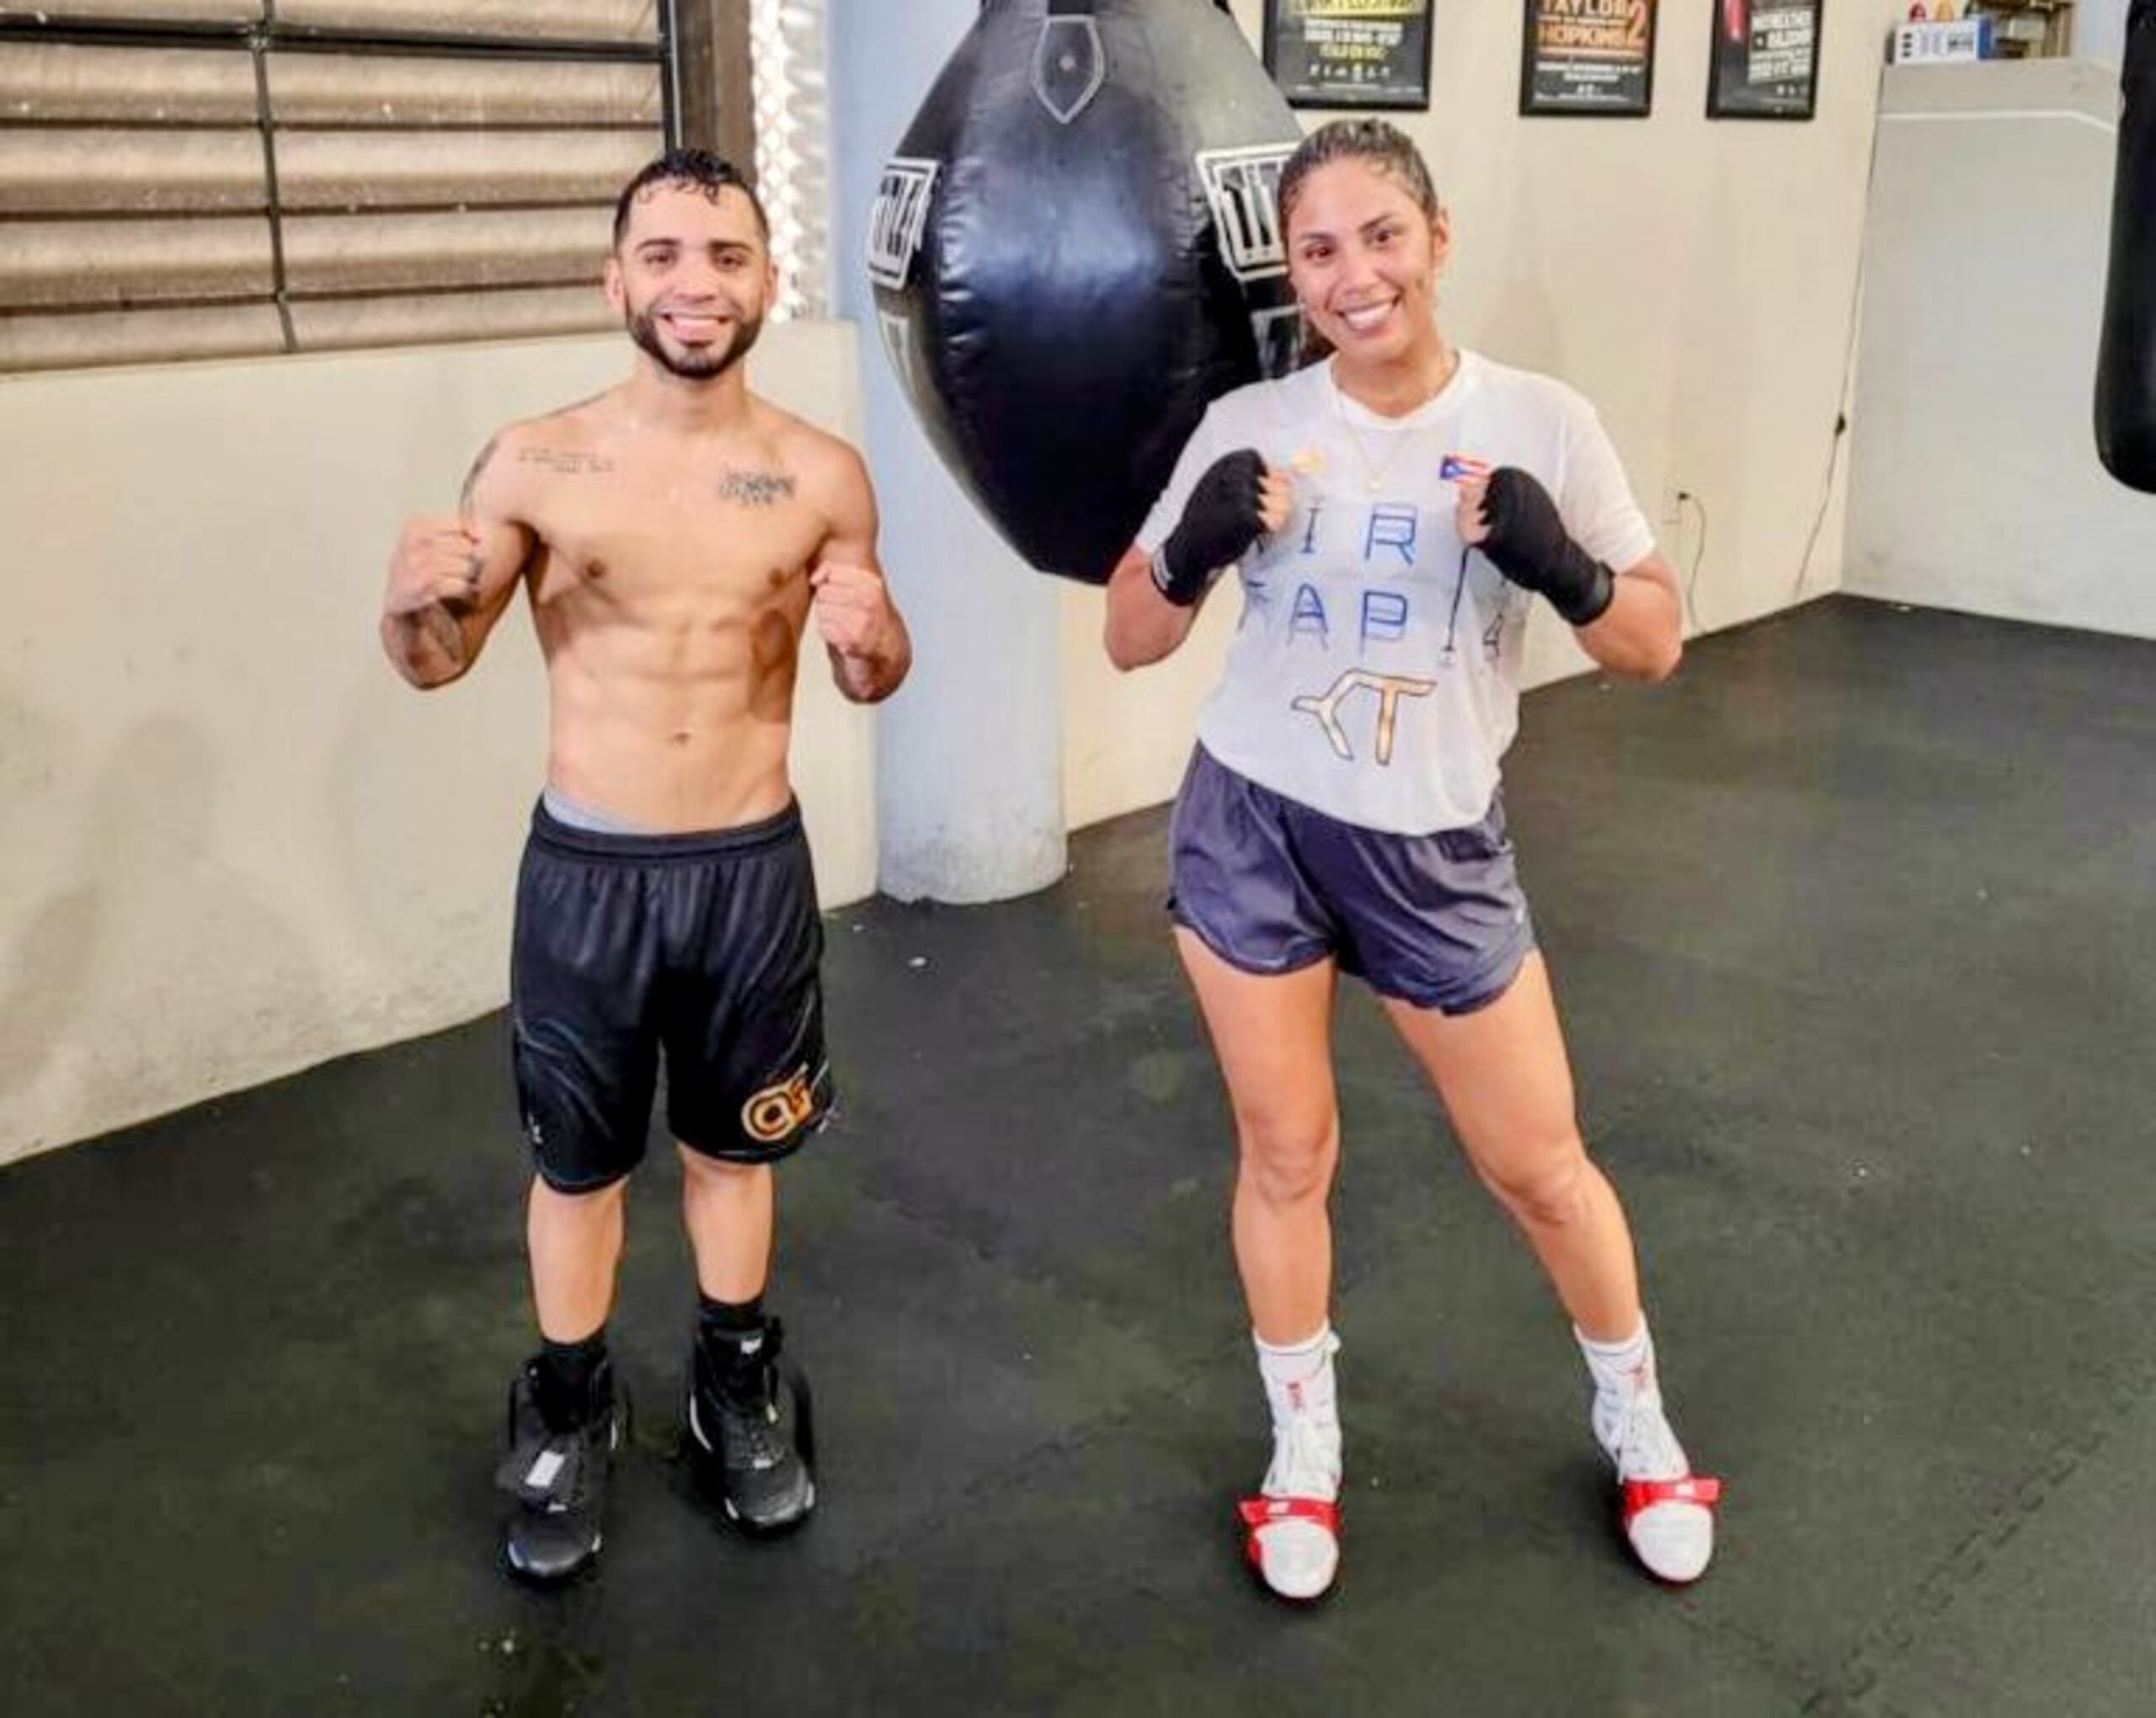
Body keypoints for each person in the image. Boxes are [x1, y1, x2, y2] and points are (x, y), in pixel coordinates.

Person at [1103, 118, 1719, 1602]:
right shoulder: (1250, 422)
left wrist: (1563, 567)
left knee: (1541, 1167)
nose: (1354, 273)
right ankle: (1301, 1451)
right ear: (1295, 275)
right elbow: (1133, 636)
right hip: (1251, 820)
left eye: (1382, 235)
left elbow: (1653, 644)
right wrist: (1181, 551)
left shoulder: (1542, 419)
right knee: (1287, 1153)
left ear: (1436, 239)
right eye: (1320, 249)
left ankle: (1635, 1417)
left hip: (1433, 842)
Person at [378, 149, 911, 1583]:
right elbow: (440, 659)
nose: (697, 283)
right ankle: (568, 1399)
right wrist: (403, 608)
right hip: (589, 875)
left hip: (748, 870)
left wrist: (870, 641)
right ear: (616, 279)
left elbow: (874, 671)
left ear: (766, 281)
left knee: (733, 1151)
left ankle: (734, 1383)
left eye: (726, 256)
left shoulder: (819, 474)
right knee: (580, 1165)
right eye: (665, 255)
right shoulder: (534, 460)